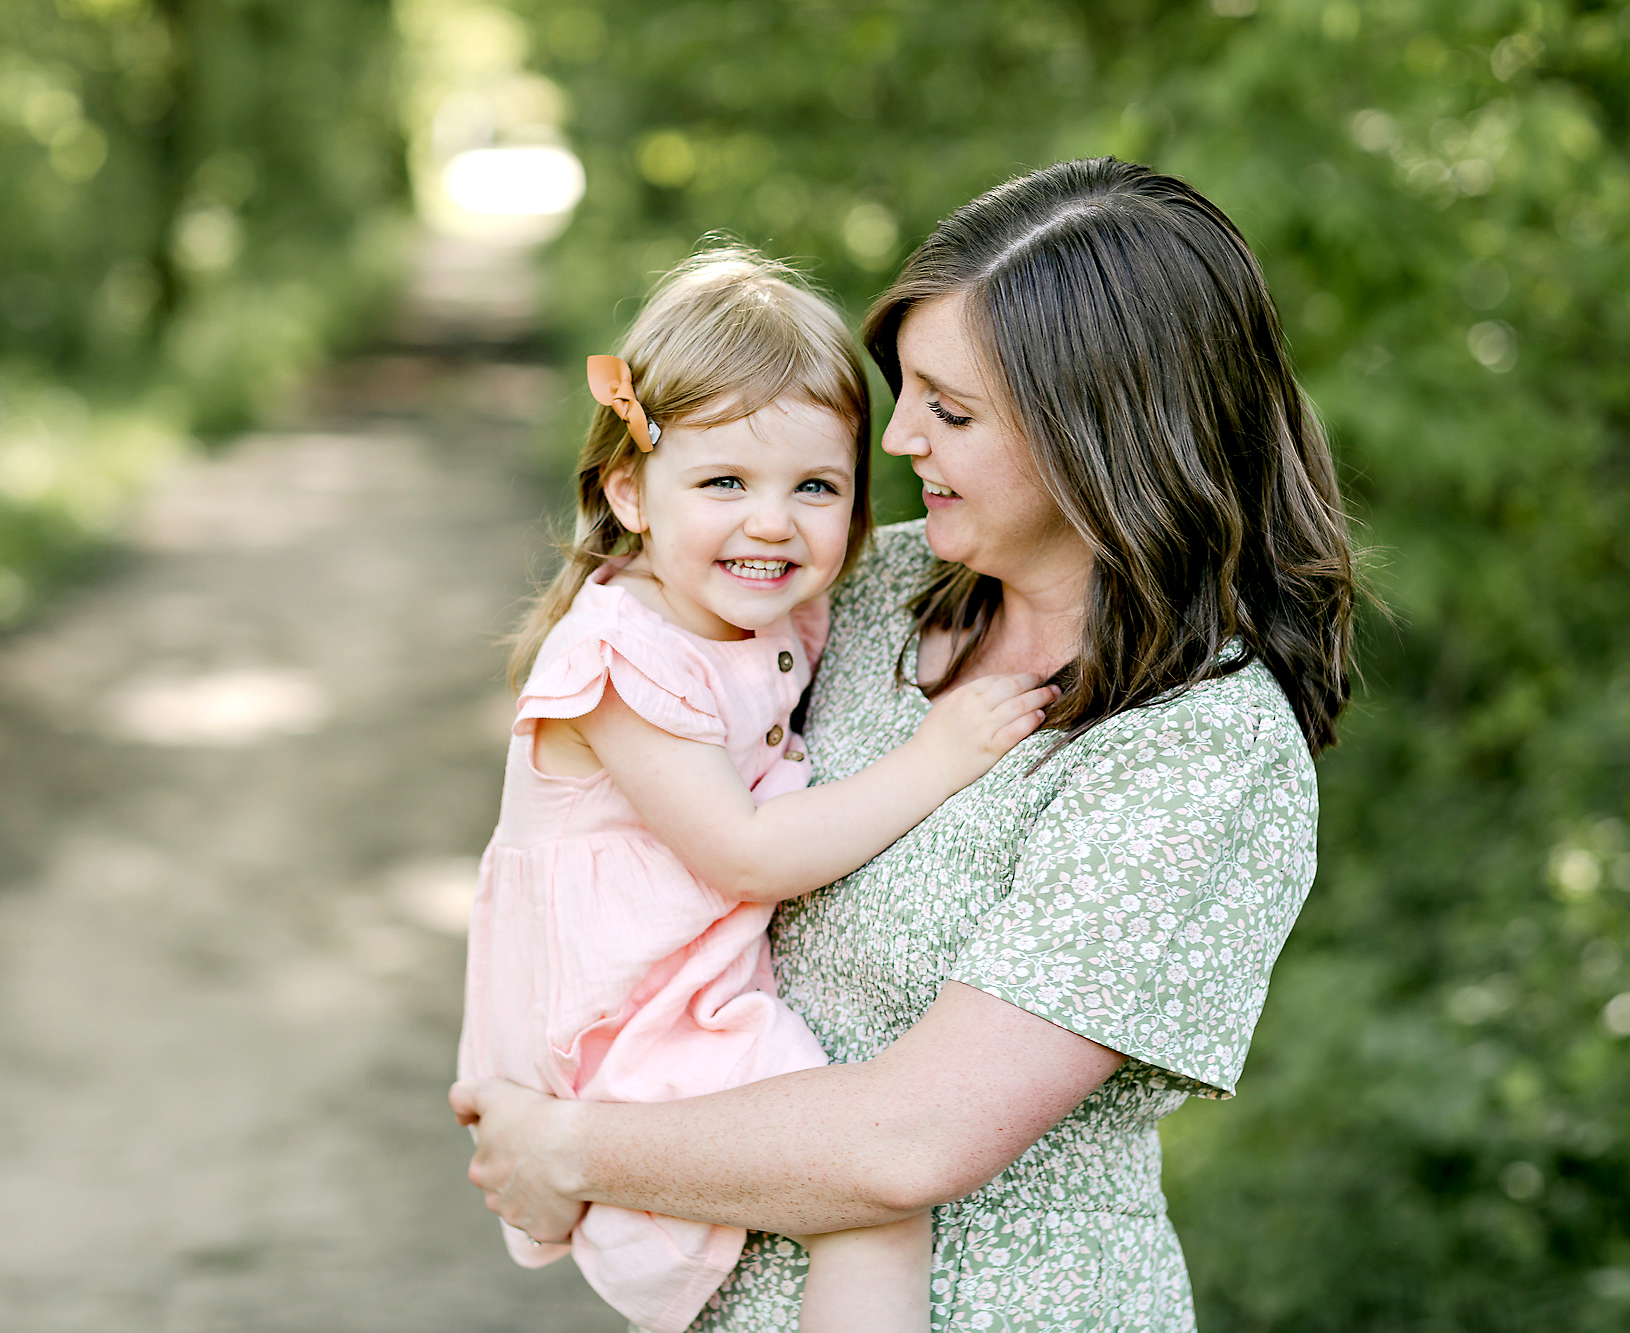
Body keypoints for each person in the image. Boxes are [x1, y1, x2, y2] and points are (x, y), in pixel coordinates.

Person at [452, 158, 1361, 1331]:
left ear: (1100, 439)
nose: (901, 441)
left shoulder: (1195, 750)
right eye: (906, 393)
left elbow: (907, 1141)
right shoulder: (867, 593)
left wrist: (571, 1150)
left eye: (952, 411)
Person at [459, 248, 1061, 1333]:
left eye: (815, 487)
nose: (772, 522)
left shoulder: (770, 610)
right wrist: (937, 755)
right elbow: (742, 851)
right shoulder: (620, 659)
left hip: (682, 992)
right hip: (627, 1025)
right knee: (869, 1196)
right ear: (629, 488)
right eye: (724, 482)